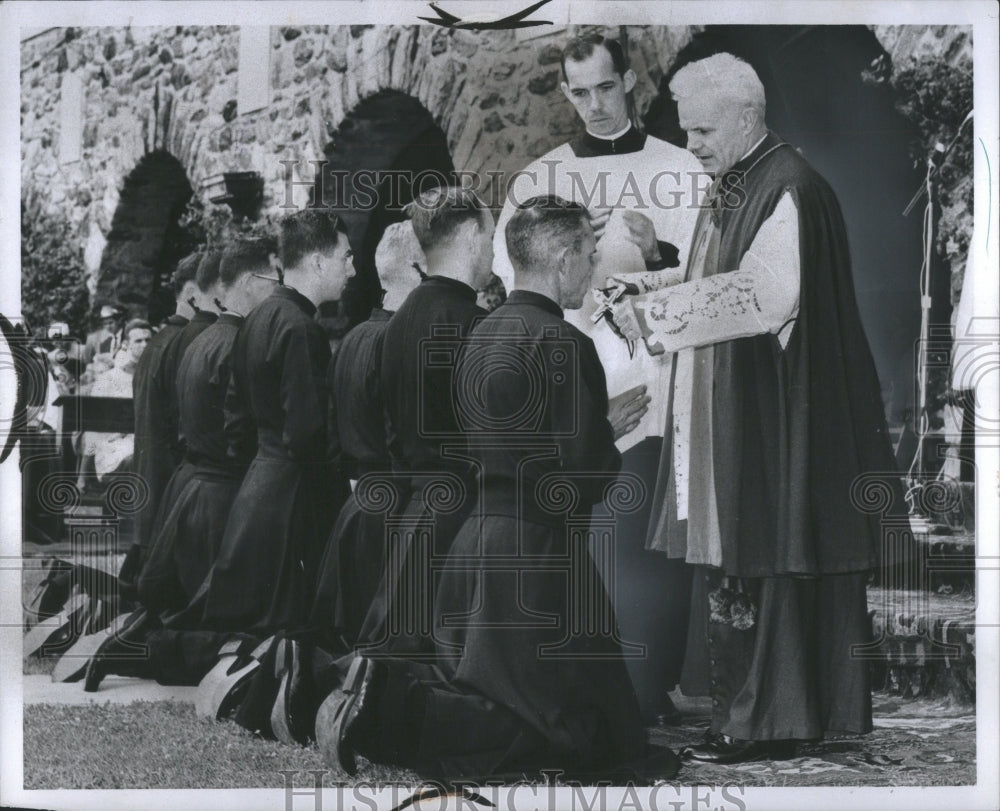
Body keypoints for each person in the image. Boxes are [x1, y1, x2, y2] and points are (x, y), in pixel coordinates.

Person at [317, 197, 678, 782]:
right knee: (553, 728)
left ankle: (380, 701)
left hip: (475, 543)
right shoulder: (564, 343)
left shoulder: (481, 332)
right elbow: (579, 476)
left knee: (551, 709)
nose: (592, 268)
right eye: (588, 255)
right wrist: (604, 435)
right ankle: (381, 710)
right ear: (563, 262)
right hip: (537, 555)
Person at [607, 53, 899, 763]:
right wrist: (650, 286)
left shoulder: (789, 187)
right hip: (748, 411)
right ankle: (749, 716)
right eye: (689, 129)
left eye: (703, 130)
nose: (695, 143)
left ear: (745, 117)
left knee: (770, 559)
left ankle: (770, 723)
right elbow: (720, 272)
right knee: (744, 564)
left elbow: (766, 296)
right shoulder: (738, 181)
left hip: (781, 418)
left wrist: (657, 316)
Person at [493, 33, 704, 723]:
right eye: (579, 93)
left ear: (632, 80)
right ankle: (594, 687)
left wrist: (656, 249)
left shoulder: (682, 168)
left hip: (661, 378)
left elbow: (713, 275)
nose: (593, 104)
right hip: (573, 383)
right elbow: (513, 281)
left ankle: (653, 679)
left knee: (650, 541)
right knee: (587, 536)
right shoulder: (539, 177)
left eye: (605, 88)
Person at [194, 211, 354, 635]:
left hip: (258, 487)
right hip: (293, 495)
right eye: (346, 257)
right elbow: (308, 433)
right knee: (286, 629)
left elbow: (237, 418)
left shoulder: (257, 319)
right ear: (319, 263)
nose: (352, 271)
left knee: (252, 624)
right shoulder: (301, 328)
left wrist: (258, 471)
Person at [357, 186, 492, 656]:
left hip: (416, 510)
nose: (492, 250)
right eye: (491, 236)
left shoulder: (399, 319)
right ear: (474, 236)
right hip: (462, 517)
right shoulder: (476, 324)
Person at [136, 238, 276, 619]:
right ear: (248, 282)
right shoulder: (234, 343)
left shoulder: (203, 339)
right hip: (220, 491)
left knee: (191, 608)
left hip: (196, 486)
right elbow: (238, 430)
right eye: (273, 279)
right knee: (210, 618)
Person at [311, 222, 424, 650]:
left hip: (358, 504)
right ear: (417, 270)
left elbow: (333, 432)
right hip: (395, 507)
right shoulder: (402, 339)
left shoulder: (353, 337)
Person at [122, 251, 204, 597]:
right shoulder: (183, 343)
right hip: (168, 484)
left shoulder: (157, 343)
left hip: (151, 484)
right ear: (192, 294)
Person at [76, 319, 152, 487]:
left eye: (148, 340)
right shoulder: (109, 379)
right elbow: (93, 428)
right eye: (138, 341)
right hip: (114, 448)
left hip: (146, 445)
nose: (144, 345)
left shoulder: (155, 379)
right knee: (134, 459)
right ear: (126, 344)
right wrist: (82, 476)